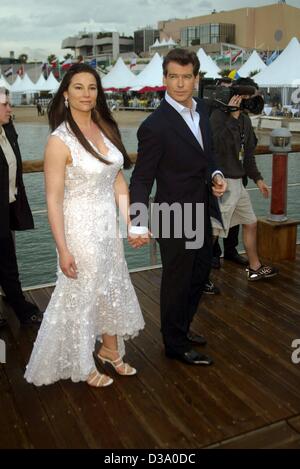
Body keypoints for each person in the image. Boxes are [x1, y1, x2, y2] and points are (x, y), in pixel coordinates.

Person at [25, 64, 144, 387]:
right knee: (82, 293)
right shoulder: (58, 141)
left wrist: (133, 224)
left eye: (92, 87)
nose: (86, 94)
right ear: (65, 93)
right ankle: (82, 364)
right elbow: (52, 199)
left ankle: (109, 349)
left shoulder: (105, 127)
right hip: (79, 228)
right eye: (78, 87)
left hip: (107, 226)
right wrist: (62, 249)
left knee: (111, 284)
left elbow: (118, 180)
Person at [129, 49, 226, 366]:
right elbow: (141, 180)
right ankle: (174, 343)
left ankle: (181, 329)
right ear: (164, 79)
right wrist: (138, 222)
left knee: (200, 275)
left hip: (203, 209)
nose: (181, 84)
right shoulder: (154, 126)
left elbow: (207, 156)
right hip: (174, 217)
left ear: (196, 78)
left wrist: (216, 174)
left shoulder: (202, 114)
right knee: (177, 282)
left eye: (187, 77)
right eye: (174, 77)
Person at [210, 77, 278, 281]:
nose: (247, 102)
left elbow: (247, 155)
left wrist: (258, 179)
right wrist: (232, 117)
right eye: (244, 98)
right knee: (213, 232)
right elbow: (216, 146)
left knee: (250, 222)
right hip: (222, 183)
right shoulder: (217, 116)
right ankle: (198, 275)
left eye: (249, 98)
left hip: (238, 184)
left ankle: (255, 266)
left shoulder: (246, 121)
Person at [0, 87, 43, 326]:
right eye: (5, 105)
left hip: (7, 206)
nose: (10, 109)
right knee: (7, 261)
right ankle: (22, 310)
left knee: (7, 261)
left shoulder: (8, 129)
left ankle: (20, 308)